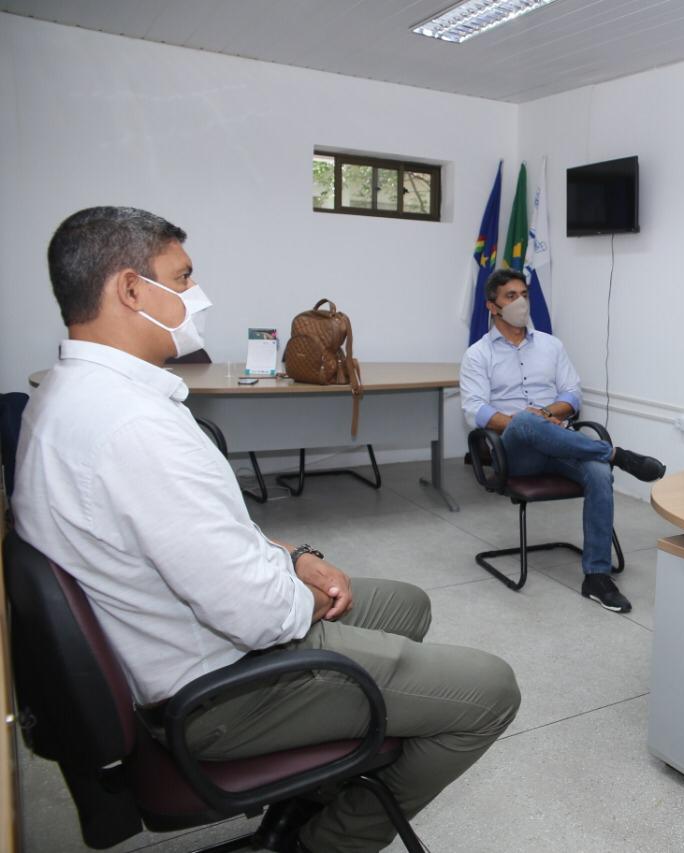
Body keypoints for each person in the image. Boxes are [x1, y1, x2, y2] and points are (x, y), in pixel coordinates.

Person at [14, 207, 521, 853]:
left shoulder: (67, 395)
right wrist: (299, 586)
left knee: (408, 603)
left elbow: (205, 532)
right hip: (219, 692)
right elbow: (258, 616)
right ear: (132, 290)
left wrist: (297, 555)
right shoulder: (133, 429)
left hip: (183, 641)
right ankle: (320, 841)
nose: (198, 296)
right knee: (491, 690)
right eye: (183, 276)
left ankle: (318, 782)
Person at [459, 269, 666, 614]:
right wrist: (523, 423)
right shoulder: (478, 355)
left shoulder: (552, 346)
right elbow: (475, 409)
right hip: (514, 452)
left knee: (599, 474)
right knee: (525, 421)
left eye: (523, 294)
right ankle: (616, 454)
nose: (521, 302)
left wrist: (548, 414)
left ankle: (596, 576)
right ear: (492, 306)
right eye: (511, 296)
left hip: (559, 442)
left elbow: (572, 394)